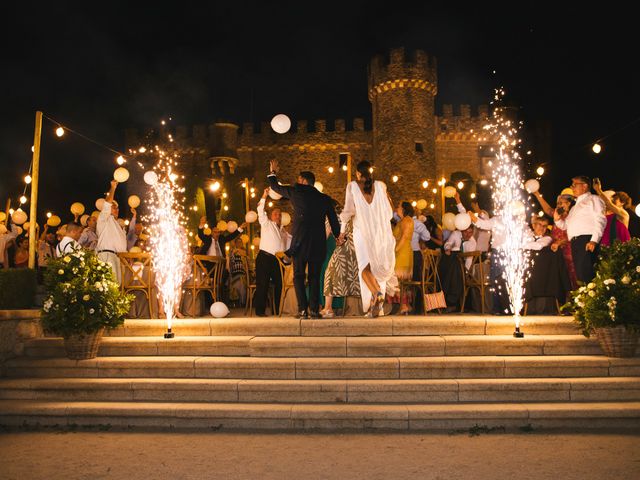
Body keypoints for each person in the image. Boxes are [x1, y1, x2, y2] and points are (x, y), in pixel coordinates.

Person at [268, 160, 341, 319]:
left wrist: (273, 172)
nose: (297, 181)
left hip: (300, 243)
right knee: (314, 277)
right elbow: (333, 220)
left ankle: (302, 310)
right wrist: (338, 235)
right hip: (318, 244)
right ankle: (314, 310)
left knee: (299, 276)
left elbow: (275, 187)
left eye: (299, 179)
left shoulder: (296, 192)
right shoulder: (324, 198)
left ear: (303, 181)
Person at [339, 160, 397, 318]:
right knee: (376, 268)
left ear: (358, 173)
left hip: (362, 232)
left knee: (364, 269)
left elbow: (348, 211)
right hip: (380, 233)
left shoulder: (352, 186)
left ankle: (376, 294)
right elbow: (389, 212)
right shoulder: (381, 185)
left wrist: (342, 232)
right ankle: (377, 306)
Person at [554, 176, 606, 284]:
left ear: (585, 186)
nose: (572, 187)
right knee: (581, 275)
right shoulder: (574, 207)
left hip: (586, 239)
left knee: (587, 274)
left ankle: (594, 298)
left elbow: (600, 220)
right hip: (575, 242)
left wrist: (594, 240)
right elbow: (566, 226)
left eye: (574, 185)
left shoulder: (593, 199)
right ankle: (586, 298)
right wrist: (557, 220)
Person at [533, 190, 578, 289]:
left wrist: (559, 242)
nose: (559, 205)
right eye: (558, 203)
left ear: (569, 203)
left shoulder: (574, 216)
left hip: (568, 252)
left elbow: (571, 236)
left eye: (561, 203)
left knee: (571, 278)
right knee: (557, 278)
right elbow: (547, 209)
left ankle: (574, 301)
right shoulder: (557, 214)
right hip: (555, 250)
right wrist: (537, 194)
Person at [253, 188, 287, 317]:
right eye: (276, 214)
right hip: (264, 257)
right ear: (271, 216)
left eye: (280, 215)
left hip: (277, 260)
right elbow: (260, 210)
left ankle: (277, 310)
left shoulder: (282, 230)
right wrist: (264, 195)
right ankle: (260, 311)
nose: (278, 216)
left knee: (280, 284)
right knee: (263, 284)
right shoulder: (266, 223)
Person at [321, 218, 361, 318]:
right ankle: (373, 305)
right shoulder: (360, 214)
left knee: (329, 274)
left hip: (344, 249)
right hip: (359, 249)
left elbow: (326, 234)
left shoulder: (331, 217)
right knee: (362, 276)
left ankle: (328, 308)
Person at [96, 180, 128, 283]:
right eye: (114, 207)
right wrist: (113, 188)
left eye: (117, 208)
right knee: (108, 288)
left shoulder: (118, 225)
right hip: (106, 257)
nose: (117, 210)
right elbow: (107, 204)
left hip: (118, 259)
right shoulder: (103, 219)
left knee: (117, 289)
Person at [593, 179, 631, 247]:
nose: (612, 200)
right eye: (612, 198)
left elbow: (608, 203)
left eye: (615, 198)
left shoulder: (624, 214)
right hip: (605, 246)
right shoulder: (608, 214)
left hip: (619, 248)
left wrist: (598, 190)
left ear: (622, 202)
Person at [393, 202, 414, 314]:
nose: (397, 208)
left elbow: (405, 236)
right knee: (399, 281)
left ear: (404, 209)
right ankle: (404, 305)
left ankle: (404, 305)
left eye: (399, 206)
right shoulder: (401, 220)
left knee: (398, 279)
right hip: (401, 251)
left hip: (402, 251)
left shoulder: (407, 220)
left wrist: (396, 249)